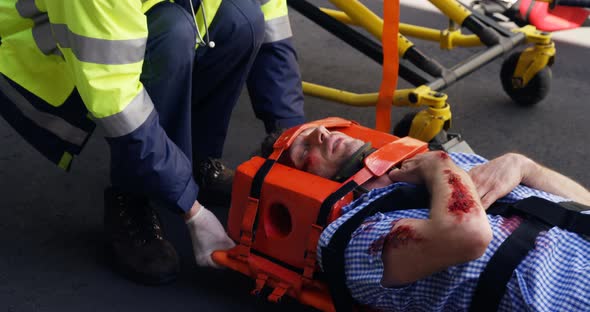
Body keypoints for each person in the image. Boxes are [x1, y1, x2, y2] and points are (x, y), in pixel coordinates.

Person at [0, 0, 304, 285]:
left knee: (243, 19)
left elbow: (271, 18)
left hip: (119, 35)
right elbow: (117, 101)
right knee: (172, 34)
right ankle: (132, 197)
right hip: (45, 51)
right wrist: (192, 211)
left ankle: (195, 165)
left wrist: (291, 137)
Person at [264, 125, 590, 311]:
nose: (321, 133)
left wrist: (525, 167)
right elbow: (468, 236)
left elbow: (583, 204)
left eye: (317, 129)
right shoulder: (354, 235)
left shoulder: (437, 161)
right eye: (305, 149)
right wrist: (438, 167)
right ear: (301, 182)